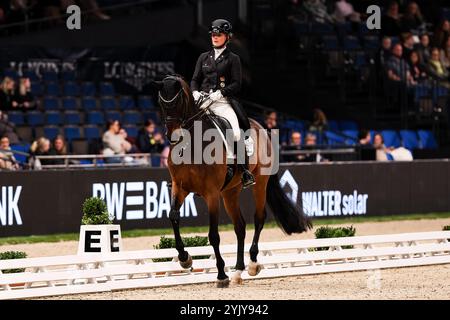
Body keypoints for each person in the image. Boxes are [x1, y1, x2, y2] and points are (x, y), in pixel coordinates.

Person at [191, 18, 255, 188]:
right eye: (213, 34)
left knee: (234, 132)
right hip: (202, 101)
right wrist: (195, 92)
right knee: (185, 128)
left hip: (222, 101)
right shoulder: (203, 57)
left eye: (219, 35)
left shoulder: (233, 58)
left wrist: (220, 93)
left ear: (227, 37)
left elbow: (236, 84)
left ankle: (245, 171)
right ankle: (181, 171)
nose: (215, 37)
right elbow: (195, 79)